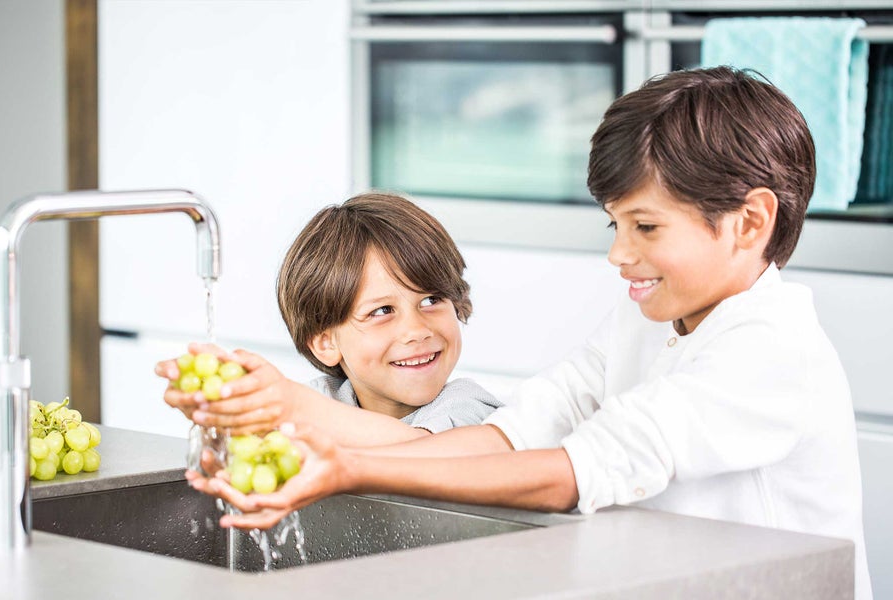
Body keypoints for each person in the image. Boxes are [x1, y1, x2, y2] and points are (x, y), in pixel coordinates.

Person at [186, 67, 872, 598]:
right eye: (616, 225)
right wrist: (307, 432)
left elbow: (572, 472)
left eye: (647, 227)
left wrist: (349, 469)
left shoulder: (771, 350)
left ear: (750, 222)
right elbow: (517, 432)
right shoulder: (648, 316)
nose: (618, 254)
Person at [156, 192, 503, 447]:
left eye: (431, 300)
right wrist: (231, 415)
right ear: (325, 342)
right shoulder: (323, 400)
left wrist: (288, 405)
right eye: (382, 311)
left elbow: (420, 454)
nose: (416, 330)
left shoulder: (472, 408)